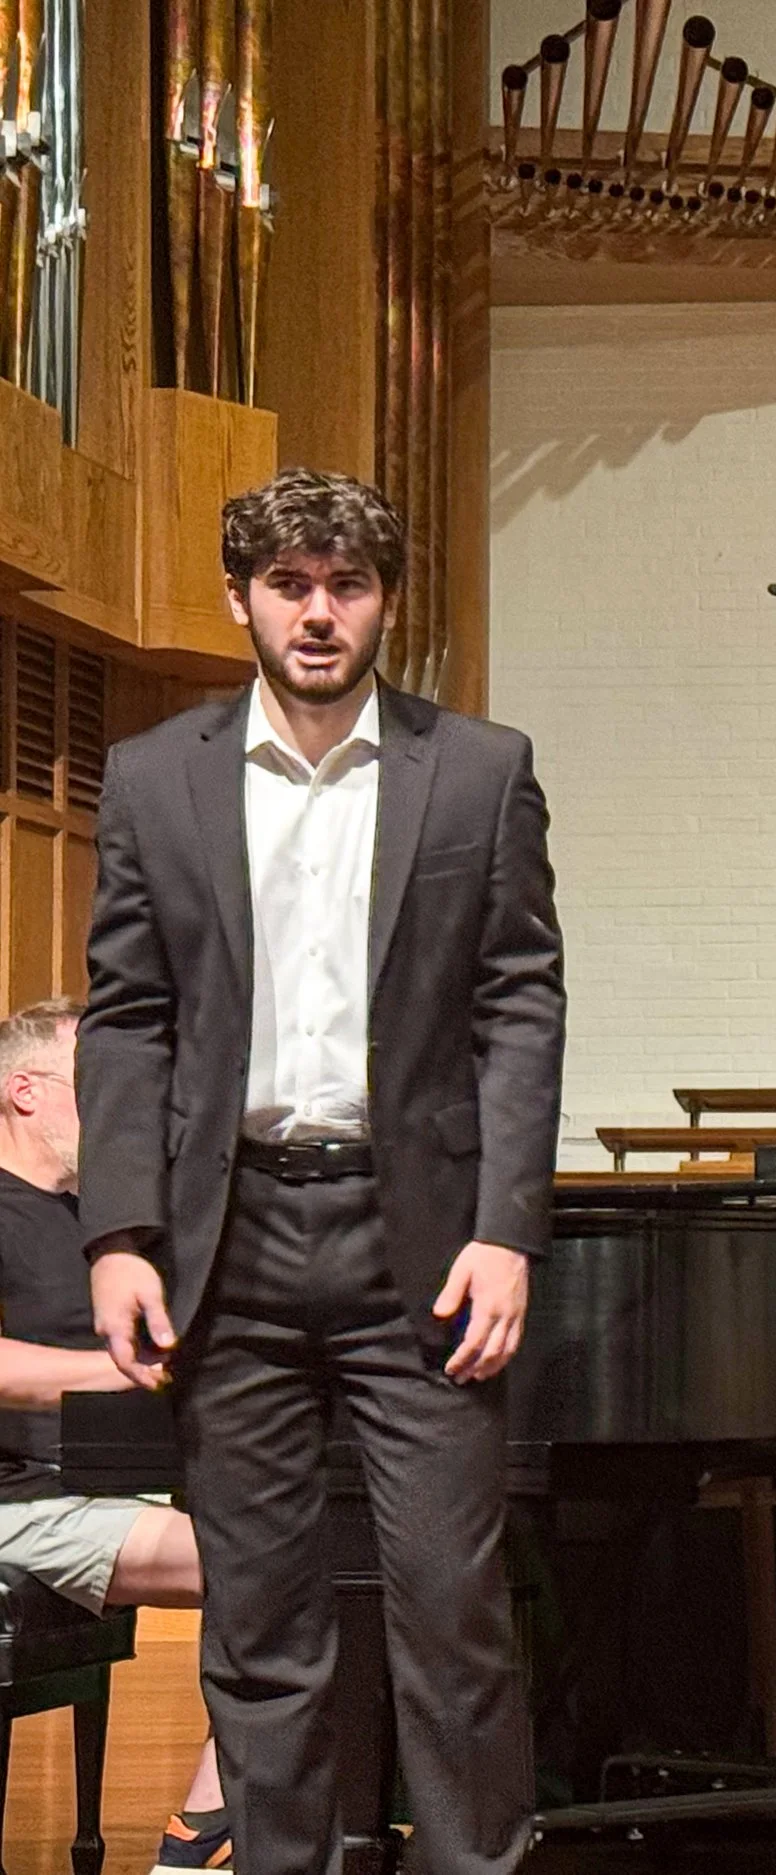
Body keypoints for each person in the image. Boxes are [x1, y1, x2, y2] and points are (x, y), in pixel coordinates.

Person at [76, 469, 566, 1875]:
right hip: (224, 1242)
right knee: (260, 1618)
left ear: (384, 604)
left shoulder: (476, 767)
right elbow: (128, 1014)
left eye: (345, 586)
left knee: (449, 1609)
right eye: (289, 584)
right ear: (242, 596)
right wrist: (119, 1228)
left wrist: (507, 1226)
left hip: (415, 1240)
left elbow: (519, 999)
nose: (317, 613)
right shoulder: (156, 776)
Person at [0, 999, 230, 1873]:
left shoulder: (96, 1218)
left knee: (322, 1546)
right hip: (26, 1498)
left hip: (113, 1487)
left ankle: (249, 1815)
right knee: (276, 1567)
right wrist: (116, 1368)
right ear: (25, 1091)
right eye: (94, 1086)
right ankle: (206, 1832)